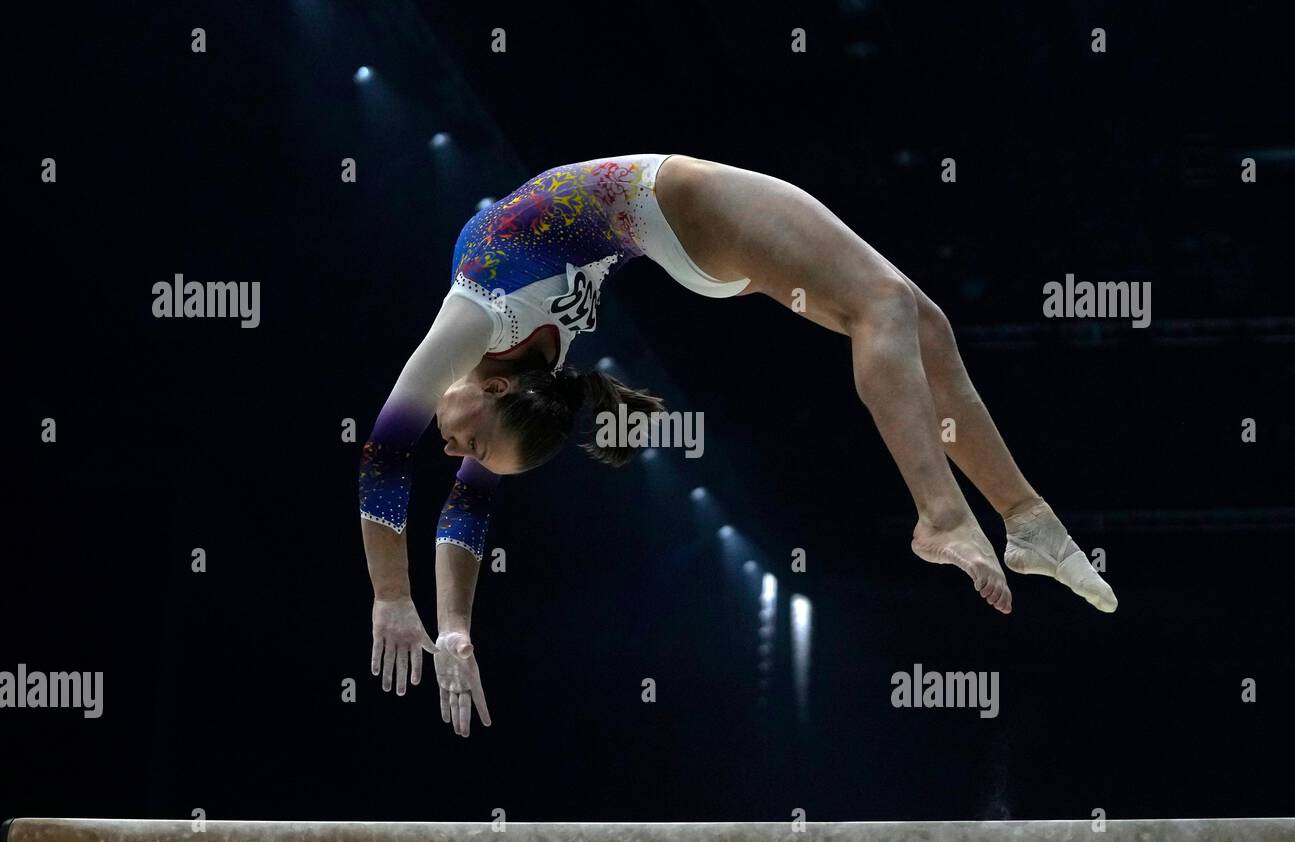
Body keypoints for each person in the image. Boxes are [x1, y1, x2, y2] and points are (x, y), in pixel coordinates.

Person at [359, 153, 1117, 736]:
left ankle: (1023, 518)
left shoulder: (475, 325)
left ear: (495, 393)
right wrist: (437, 617)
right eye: (470, 455)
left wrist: (410, 605)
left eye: (466, 450)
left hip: (685, 222)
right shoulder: (508, 358)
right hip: (686, 213)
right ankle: (943, 517)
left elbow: (387, 451)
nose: (455, 456)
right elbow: (461, 506)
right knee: (883, 305)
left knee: (920, 324)